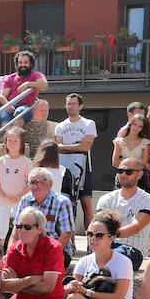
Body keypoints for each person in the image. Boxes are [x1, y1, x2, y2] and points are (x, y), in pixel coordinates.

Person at [95, 158, 150, 258]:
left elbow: (136, 227)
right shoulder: (106, 199)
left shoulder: (149, 200)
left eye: (129, 172)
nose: (123, 175)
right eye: (120, 171)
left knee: (112, 256)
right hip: (106, 246)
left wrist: (109, 234)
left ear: (140, 175)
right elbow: (98, 225)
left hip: (132, 250)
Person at [54, 93, 97, 227]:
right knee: (66, 203)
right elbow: (58, 149)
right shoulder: (60, 126)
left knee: (86, 204)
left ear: (80, 106)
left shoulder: (89, 123)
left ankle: (91, 240)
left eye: (74, 103)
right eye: (68, 104)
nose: (71, 106)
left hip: (84, 167)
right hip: (64, 170)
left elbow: (86, 147)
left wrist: (64, 147)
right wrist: (77, 146)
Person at [15, 168, 74, 254]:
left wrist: (48, 255)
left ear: (50, 183)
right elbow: (16, 230)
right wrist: (11, 252)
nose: (35, 186)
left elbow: (66, 235)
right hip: (29, 249)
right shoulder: (25, 200)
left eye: (39, 182)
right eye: (31, 183)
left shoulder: (62, 202)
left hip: (56, 249)